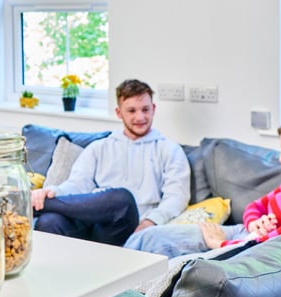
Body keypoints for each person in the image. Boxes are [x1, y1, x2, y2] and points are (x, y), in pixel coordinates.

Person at [124, 114, 281, 258]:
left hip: (245, 246)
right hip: (243, 232)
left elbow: (267, 245)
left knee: (156, 247)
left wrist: (219, 244)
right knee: (148, 238)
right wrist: (254, 222)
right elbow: (255, 207)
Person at [30, 79, 191, 246]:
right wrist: (52, 192)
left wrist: (151, 221)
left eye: (145, 109)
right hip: (90, 223)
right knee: (50, 221)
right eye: (131, 111)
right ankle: (45, 207)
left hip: (128, 227)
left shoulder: (169, 150)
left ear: (154, 109)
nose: (140, 117)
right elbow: (77, 185)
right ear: (119, 113)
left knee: (122, 199)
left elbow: (177, 197)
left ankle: (33, 206)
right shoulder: (99, 147)